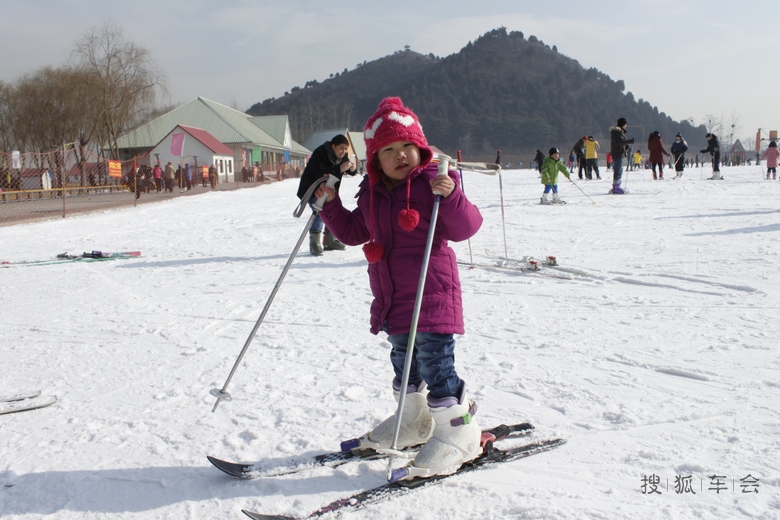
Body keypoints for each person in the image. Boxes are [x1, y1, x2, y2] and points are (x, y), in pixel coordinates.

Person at [315, 97, 484, 480]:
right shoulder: (372, 194)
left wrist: (452, 196)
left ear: (420, 148)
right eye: (388, 150)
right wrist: (330, 206)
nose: (399, 155)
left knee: (436, 363)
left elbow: (467, 228)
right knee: (403, 360)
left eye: (406, 146)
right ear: (375, 159)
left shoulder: (433, 184)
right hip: (393, 297)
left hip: (432, 292)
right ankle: (412, 422)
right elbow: (355, 232)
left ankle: (460, 433)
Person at [296, 134, 357, 255]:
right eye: (341, 148)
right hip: (312, 188)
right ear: (333, 146)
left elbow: (350, 171)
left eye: (346, 149)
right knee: (318, 212)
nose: (343, 151)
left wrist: (352, 168)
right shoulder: (320, 152)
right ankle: (314, 243)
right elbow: (320, 172)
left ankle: (329, 240)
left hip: (329, 190)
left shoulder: (342, 155)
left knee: (333, 211)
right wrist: (339, 168)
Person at [609, 117, 635, 194]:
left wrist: (625, 146)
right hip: (618, 153)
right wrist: (630, 141)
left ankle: (617, 186)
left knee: (619, 169)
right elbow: (620, 142)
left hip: (617, 152)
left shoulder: (617, 132)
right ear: (624, 124)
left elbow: (618, 142)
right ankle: (616, 187)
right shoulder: (618, 132)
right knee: (618, 169)